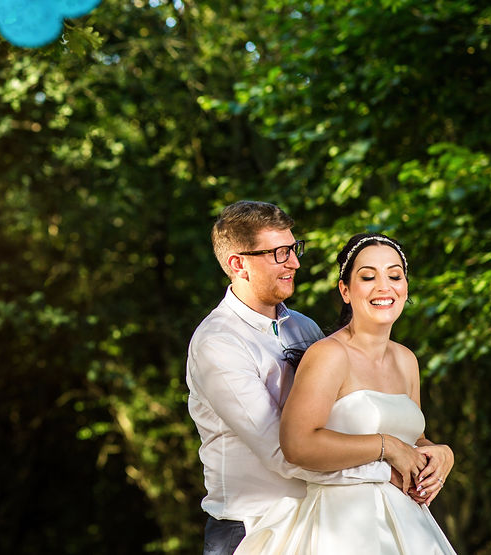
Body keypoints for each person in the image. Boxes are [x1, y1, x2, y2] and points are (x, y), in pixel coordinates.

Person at [187, 202, 392, 555]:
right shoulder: (218, 344)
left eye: (293, 249)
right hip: (250, 530)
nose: (294, 262)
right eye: (279, 253)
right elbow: (285, 452)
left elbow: (341, 418)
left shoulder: (304, 327)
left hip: (321, 519)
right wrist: (387, 470)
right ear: (239, 264)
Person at [234, 233, 456, 554]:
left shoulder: (406, 360)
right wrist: (386, 446)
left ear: (405, 288)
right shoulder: (329, 355)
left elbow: (414, 438)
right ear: (346, 291)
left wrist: (439, 453)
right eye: (368, 277)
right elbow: (297, 445)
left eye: (394, 275)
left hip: (409, 524)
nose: (384, 286)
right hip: (341, 526)